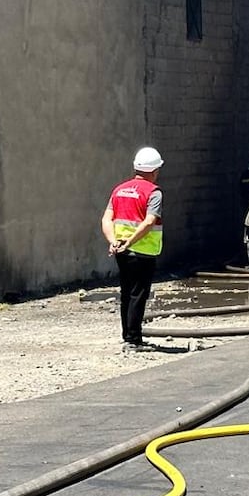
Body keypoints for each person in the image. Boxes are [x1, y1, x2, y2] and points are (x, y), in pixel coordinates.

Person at [101, 147, 166, 351]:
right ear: (154, 170)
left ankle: (127, 335)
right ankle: (134, 339)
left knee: (127, 293)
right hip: (143, 252)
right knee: (138, 294)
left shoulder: (119, 190)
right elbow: (149, 221)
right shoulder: (153, 192)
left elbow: (106, 219)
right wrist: (130, 242)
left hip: (121, 251)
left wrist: (113, 241)